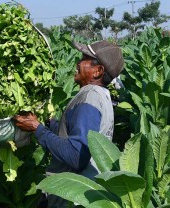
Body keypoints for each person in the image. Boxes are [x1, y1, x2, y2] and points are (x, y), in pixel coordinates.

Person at [13, 40, 124, 207]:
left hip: (72, 199)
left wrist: (38, 129)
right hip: (83, 195)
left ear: (98, 71)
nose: (78, 62)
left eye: (85, 59)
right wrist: (49, 123)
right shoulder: (102, 96)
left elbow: (77, 156)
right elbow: (77, 138)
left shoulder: (90, 96)